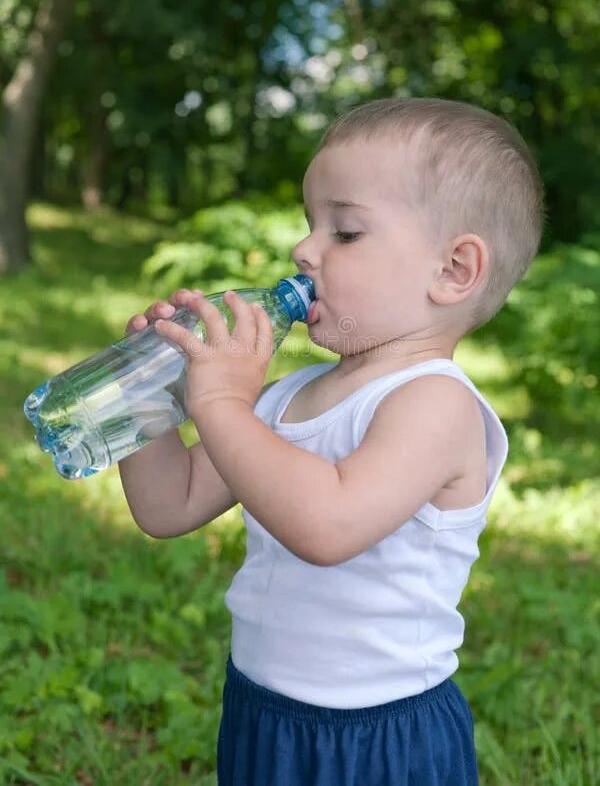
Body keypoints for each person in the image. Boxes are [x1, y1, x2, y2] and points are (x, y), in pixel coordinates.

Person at [119, 97, 545, 785]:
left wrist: (224, 402)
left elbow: (327, 525)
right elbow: (169, 506)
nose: (303, 250)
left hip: (379, 736)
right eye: (309, 223)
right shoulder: (291, 394)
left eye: (344, 232)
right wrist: (145, 400)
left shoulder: (435, 404)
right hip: (263, 709)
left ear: (454, 271)